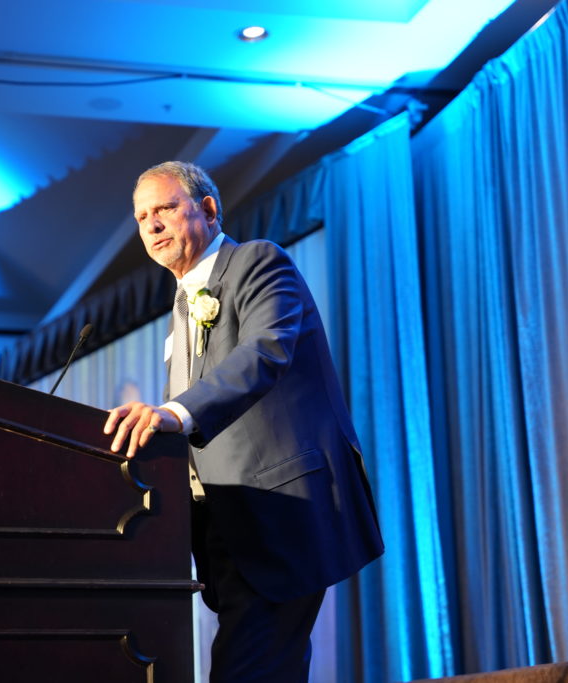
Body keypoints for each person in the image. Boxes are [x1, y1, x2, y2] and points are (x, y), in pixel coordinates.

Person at [104, 161, 383, 682]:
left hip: (280, 511)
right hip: (223, 525)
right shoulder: (181, 306)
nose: (153, 225)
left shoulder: (258, 263)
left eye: (165, 208)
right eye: (142, 217)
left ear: (208, 209)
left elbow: (264, 353)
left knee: (245, 669)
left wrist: (172, 412)